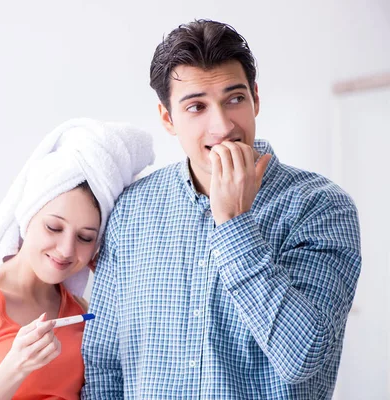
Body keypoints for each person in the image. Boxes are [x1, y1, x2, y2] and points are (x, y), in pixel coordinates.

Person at [82, 19, 361, 399]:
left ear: (255, 99)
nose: (223, 125)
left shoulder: (320, 206)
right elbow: (103, 362)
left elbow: (303, 356)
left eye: (235, 99)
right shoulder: (132, 209)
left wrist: (233, 221)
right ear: (168, 118)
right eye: (196, 107)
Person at [0, 118, 154, 400]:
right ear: (28, 217)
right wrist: (14, 368)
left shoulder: (81, 312)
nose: (65, 249)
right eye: (54, 227)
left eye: (85, 237)